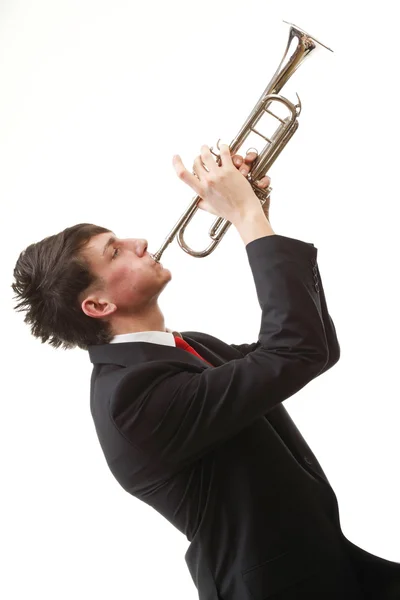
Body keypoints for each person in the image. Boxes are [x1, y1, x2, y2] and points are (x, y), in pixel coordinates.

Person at [11, 145, 400, 600]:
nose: (139, 242)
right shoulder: (132, 402)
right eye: (114, 251)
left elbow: (316, 349)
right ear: (98, 305)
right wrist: (246, 218)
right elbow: (295, 352)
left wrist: (258, 214)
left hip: (324, 565)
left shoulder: (183, 347)